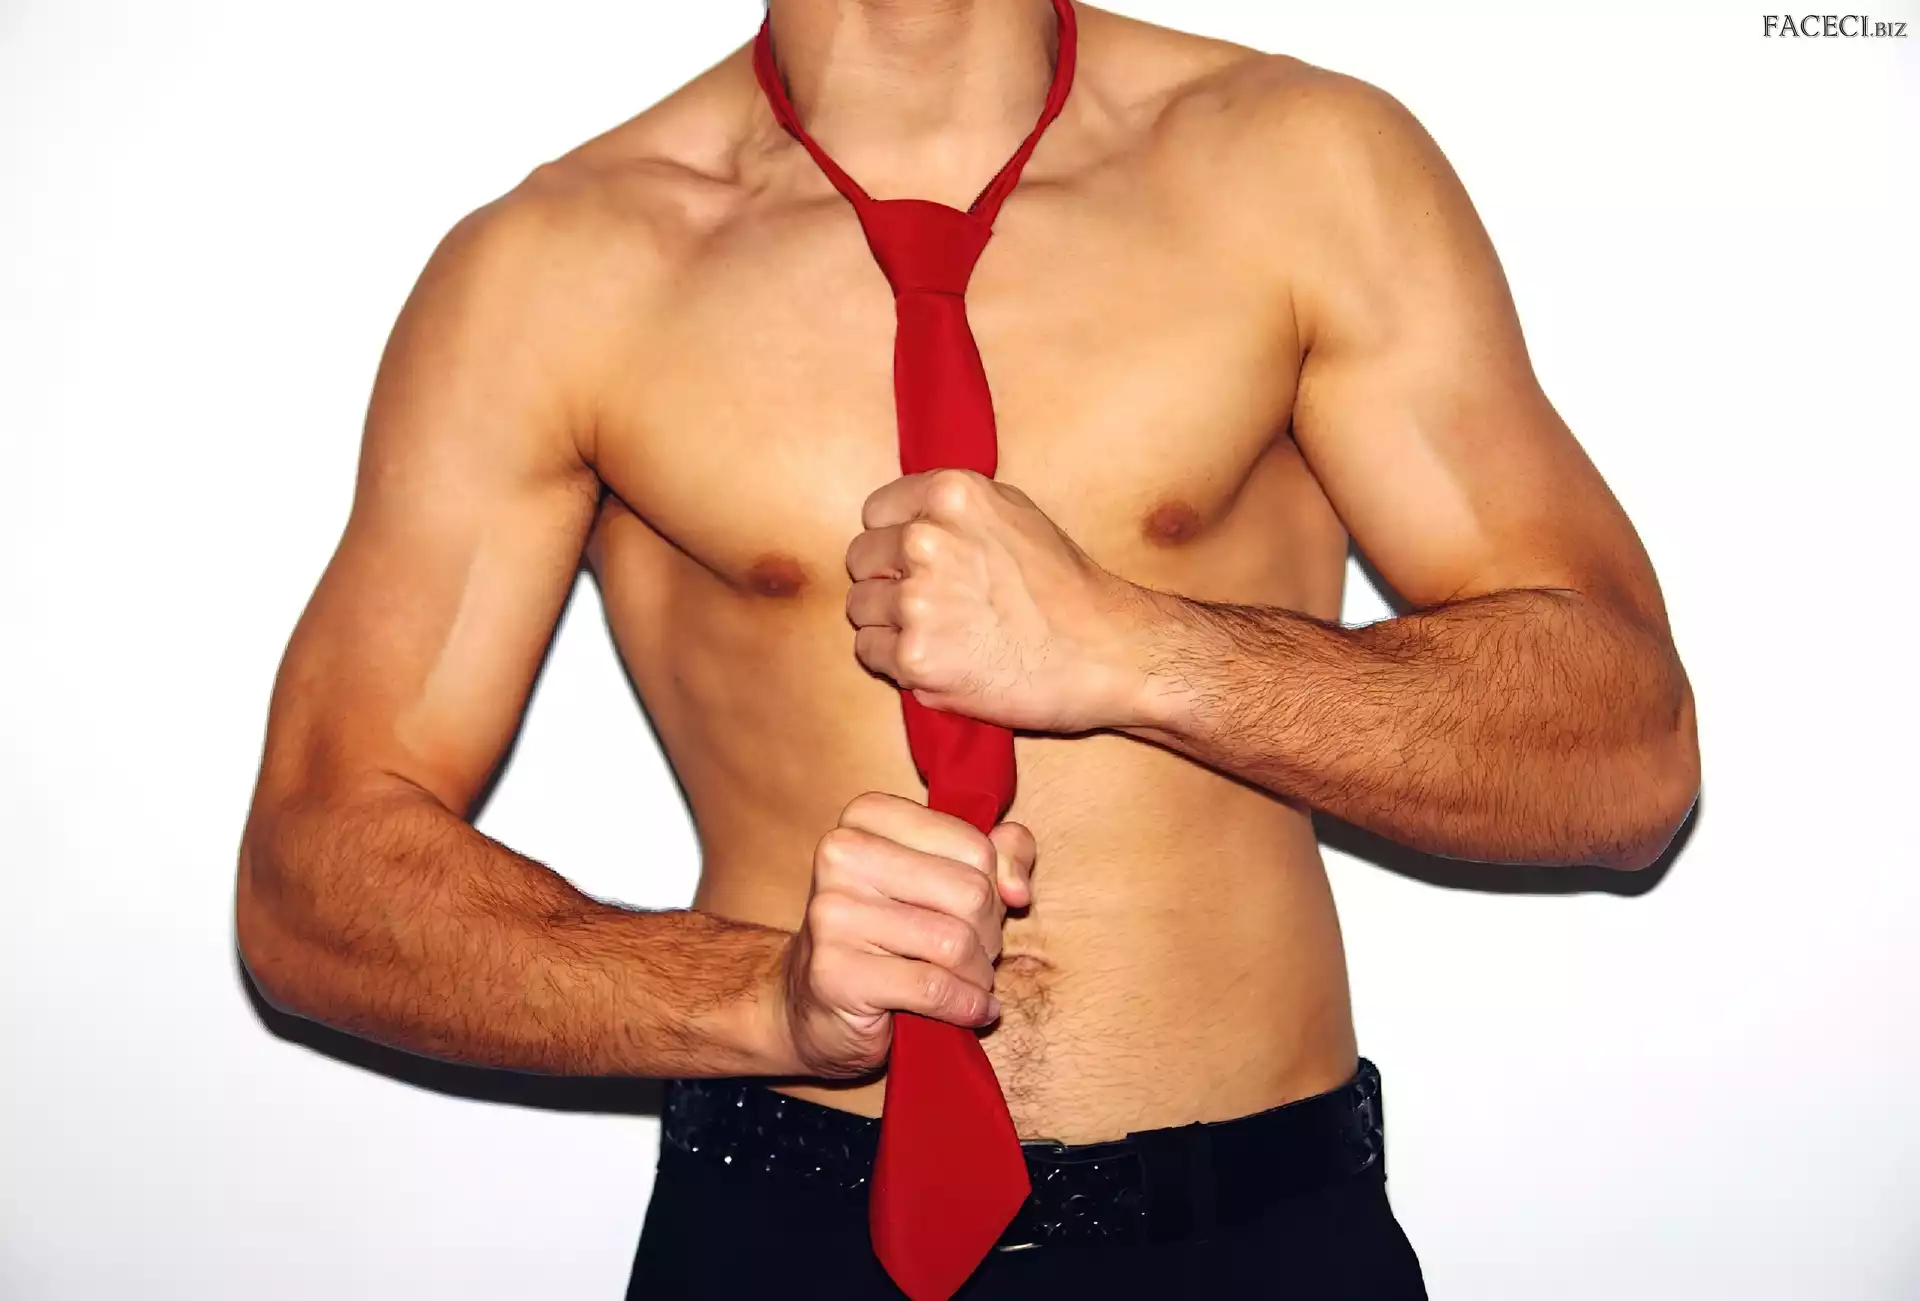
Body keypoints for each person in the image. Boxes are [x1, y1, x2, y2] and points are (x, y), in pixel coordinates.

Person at [235, 1, 1699, 1296]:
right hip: (785, 1224)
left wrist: (1131, 646)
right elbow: (313, 875)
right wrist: (759, 1001)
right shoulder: (554, 272)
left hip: (1256, 1229)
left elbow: (1627, 754)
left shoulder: (1302, 170)